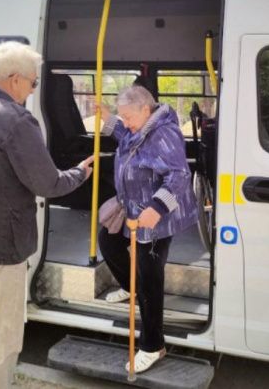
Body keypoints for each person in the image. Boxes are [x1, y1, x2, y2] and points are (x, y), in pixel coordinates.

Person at [0, 41, 93, 389]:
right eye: (33, 82)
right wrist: (80, 173)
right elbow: (47, 183)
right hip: (1, 247)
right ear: (14, 80)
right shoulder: (15, 119)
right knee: (1, 338)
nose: (32, 90)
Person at [98, 86, 198, 373]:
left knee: (150, 279)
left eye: (128, 116)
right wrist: (108, 119)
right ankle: (131, 287)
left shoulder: (164, 133)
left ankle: (153, 345)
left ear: (145, 109)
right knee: (109, 241)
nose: (125, 122)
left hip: (156, 217)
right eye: (123, 117)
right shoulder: (140, 126)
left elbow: (179, 176)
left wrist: (157, 207)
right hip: (131, 209)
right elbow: (126, 136)